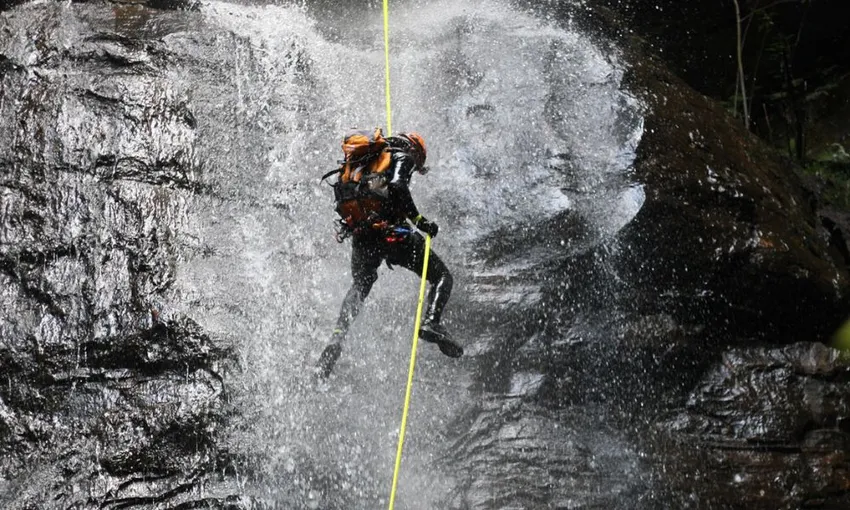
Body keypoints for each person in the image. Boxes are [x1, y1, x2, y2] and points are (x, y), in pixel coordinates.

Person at [316, 129, 463, 378]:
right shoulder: (403, 156)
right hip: (393, 235)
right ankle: (431, 322)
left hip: (363, 236)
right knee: (441, 277)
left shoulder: (361, 164)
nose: (416, 167)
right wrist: (420, 221)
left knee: (360, 286)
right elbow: (397, 185)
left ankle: (337, 337)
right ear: (414, 149)